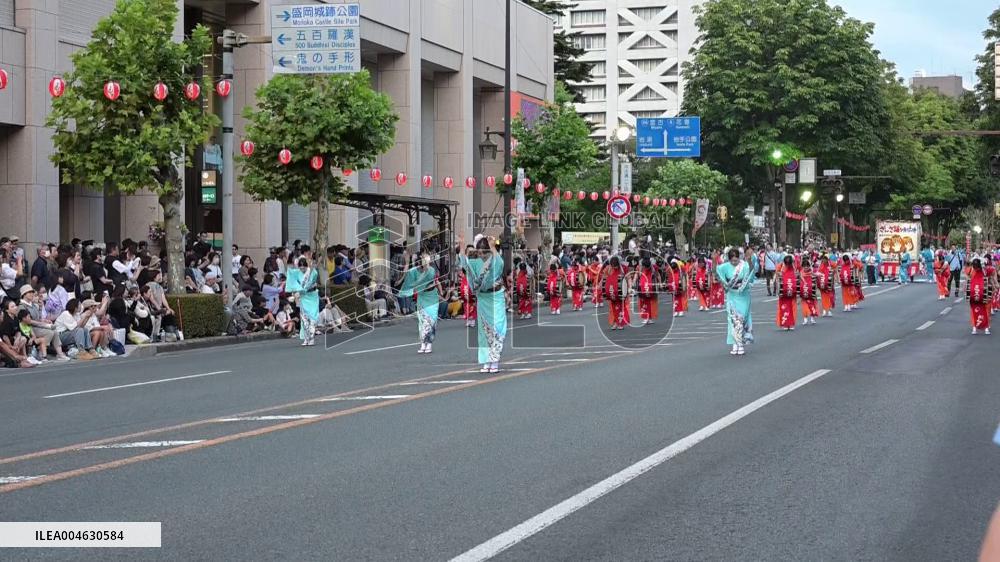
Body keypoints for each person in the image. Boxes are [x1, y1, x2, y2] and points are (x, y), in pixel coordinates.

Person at [458, 234, 506, 374]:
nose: (482, 256)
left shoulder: (496, 260)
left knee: (497, 328)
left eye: (484, 253)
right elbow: (465, 264)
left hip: (495, 296)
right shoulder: (476, 261)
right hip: (483, 298)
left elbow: (498, 261)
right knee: (484, 331)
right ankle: (486, 361)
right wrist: (461, 247)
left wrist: (492, 245)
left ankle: (494, 360)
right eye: (479, 253)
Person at [716, 248, 755, 356]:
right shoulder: (725, 266)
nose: (734, 262)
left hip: (743, 295)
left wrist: (749, 260)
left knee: (742, 319)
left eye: (736, 260)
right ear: (729, 259)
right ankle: (734, 343)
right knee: (733, 320)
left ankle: (741, 344)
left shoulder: (744, 265)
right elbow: (717, 273)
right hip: (732, 296)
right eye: (732, 261)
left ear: (739, 258)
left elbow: (751, 271)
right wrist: (714, 260)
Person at [401, 253, 442, 354]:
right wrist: (407, 263)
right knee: (422, 320)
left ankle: (429, 344)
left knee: (431, 320)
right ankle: (423, 343)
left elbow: (432, 281)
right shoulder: (415, 272)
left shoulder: (431, 270)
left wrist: (441, 292)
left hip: (431, 297)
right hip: (421, 297)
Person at [18, 285, 69, 361]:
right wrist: (43, 324)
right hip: (29, 328)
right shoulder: (22, 306)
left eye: (32, 292)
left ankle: (60, 354)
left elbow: (38, 317)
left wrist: (44, 320)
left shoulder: (33, 305)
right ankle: (41, 352)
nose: (32, 294)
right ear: (24, 294)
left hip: (37, 326)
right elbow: (28, 321)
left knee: (54, 331)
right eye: (29, 292)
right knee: (49, 332)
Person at [285, 257, 319, 346]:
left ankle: (311, 338)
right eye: (300, 267)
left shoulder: (312, 272)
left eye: (304, 267)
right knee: (304, 318)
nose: (302, 268)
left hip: (312, 296)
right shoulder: (297, 272)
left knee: (312, 318)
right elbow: (290, 276)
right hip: (303, 296)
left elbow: (312, 282)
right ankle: (306, 338)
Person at [967, 257, 992, 335]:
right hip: (983, 292)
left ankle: (974, 328)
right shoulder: (985, 270)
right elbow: (992, 272)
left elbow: (968, 278)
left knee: (974, 310)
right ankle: (986, 328)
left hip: (973, 293)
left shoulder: (971, 270)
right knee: (986, 310)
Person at [775, 255, 798, 330]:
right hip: (783, 290)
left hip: (791, 290)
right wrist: (779, 274)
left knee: (792, 307)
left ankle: (791, 323)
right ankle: (785, 324)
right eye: (786, 263)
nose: (788, 264)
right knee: (783, 307)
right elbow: (777, 276)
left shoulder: (794, 266)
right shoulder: (780, 266)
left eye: (789, 263)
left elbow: (798, 274)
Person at [798, 258, 819, 325]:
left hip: (811, 291)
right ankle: (805, 319)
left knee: (812, 304)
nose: (806, 267)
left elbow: (815, 275)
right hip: (804, 291)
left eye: (807, 266)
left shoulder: (811, 271)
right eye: (804, 266)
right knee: (804, 306)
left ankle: (812, 318)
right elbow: (801, 278)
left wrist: (820, 275)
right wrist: (804, 283)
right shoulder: (801, 272)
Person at [638, 258, 658, 325]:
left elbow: (656, 275)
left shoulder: (654, 267)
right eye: (644, 267)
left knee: (650, 302)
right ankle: (645, 317)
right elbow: (638, 275)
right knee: (643, 301)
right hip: (643, 283)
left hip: (650, 285)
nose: (645, 268)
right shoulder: (640, 267)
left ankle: (649, 318)